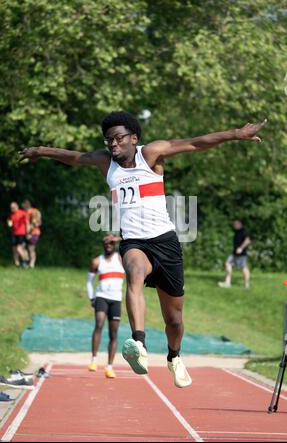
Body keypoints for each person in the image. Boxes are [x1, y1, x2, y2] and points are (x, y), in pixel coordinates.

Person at [20, 112, 266, 388]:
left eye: (118, 138)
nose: (113, 144)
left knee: (174, 320)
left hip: (165, 242)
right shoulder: (105, 162)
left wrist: (236, 134)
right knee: (134, 272)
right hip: (134, 241)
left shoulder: (150, 154)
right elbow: (75, 158)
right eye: (108, 139)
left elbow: (196, 143)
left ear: (133, 138)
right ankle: (139, 343)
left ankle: (174, 356)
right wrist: (39, 151)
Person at [86, 234, 124, 378]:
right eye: (106, 243)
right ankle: (94, 360)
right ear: (103, 245)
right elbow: (89, 281)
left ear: (114, 245)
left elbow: (130, 245)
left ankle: (109, 367)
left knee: (113, 333)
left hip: (116, 300)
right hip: (102, 297)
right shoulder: (97, 261)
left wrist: (118, 238)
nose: (108, 245)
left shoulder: (120, 259)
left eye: (111, 243)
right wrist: (92, 298)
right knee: (99, 324)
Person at [218, 219, 251, 289]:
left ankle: (246, 285)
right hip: (234, 253)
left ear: (240, 224)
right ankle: (227, 283)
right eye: (234, 224)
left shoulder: (243, 231)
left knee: (244, 268)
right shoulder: (237, 232)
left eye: (236, 224)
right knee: (227, 264)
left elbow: (247, 240)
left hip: (241, 254)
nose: (234, 225)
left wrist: (241, 248)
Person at [7, 202, 29, 267]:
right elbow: (10, 223)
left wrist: (27, 232)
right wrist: (9, 223)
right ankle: (17, 264)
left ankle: (25, 261)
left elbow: (27, 223)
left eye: (13, 207)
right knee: (14, 249)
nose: (12, 209)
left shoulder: (23, 213)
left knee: (19, 248)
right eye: (11, 208)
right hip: (14, 233)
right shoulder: (11, 215)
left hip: (21, 233)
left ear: (17, 206)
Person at [22, 200, 42, 268]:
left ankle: (31, 263)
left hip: (33, 233)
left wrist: (29, 233)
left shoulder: (33, 212)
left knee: (31, 248)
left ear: (27, 205)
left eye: (23, 205)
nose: (23, 206)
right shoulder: (34, 211)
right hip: (29, 233)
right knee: (23, 247)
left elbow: (36, 223)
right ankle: (28, 262)